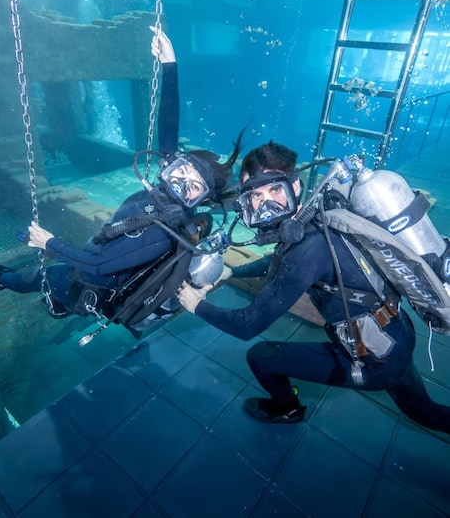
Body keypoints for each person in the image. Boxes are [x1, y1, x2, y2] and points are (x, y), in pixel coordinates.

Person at [178, 141, 450, 433]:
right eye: (255, 195)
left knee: (260, 357)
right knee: (425, 412)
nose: (265, 204)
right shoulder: (320, 215)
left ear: (294, 186)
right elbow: (278, 261)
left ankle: (288, 409)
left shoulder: (308, 250)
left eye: (274, 189)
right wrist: (232, 271)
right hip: (398, 332)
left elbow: (246, 325)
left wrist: (196, 304)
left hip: (376, 357)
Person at [0, 28, 241, 323]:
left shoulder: (161, 232)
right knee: (40, 277)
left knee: (28, 280)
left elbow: (98, 264)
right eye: (181, 171)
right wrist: (169, 64)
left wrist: (48, 243)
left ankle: (7, 281)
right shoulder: (168, 197)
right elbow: (168, 124)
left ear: (200, 200)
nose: (179, 183)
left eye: (192, 187)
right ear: (173, 164)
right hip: (97, 261)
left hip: (90, 281)